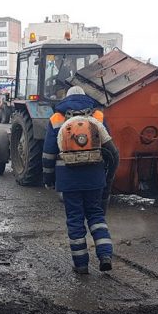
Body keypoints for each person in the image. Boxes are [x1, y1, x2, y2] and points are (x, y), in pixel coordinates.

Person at [43, 86, 115, 274]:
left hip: (68, 180)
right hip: (95, 178)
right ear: (85, 98)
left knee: (75, 220)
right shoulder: (97, 117)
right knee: (96, 216)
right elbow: (111, 152)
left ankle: (81, 264)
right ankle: (105, 255)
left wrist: (49, 179)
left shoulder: (56, 119)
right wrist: (106, 176)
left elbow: (49, 153)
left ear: (66, 99)